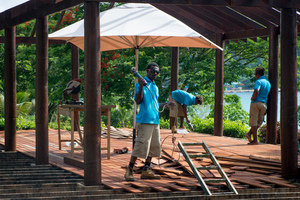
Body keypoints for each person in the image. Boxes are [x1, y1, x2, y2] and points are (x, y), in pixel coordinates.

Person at [124, 62, 174, 181]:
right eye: (153, 71)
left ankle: (146, 170)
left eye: (157, 72)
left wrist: (166, 104)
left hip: (155, 120)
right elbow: (138, 101)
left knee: (153, 146)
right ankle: (129, 170)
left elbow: (155, 104)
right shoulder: (140, 83)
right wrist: (141, 87)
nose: (155, 73)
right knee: (141, 145)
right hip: (145, 120)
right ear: (147, 71)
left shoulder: (155, 86)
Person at [245, 67, 271, 145]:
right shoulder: (268, 83)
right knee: (259, 122)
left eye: (255, 75)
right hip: (264, 104)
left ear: (257, 75)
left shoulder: (258, 81)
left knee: (253, 122)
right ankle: (249, 134)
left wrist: (253, 98)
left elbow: (256, 90)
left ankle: (255, 140)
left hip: (256, 103)